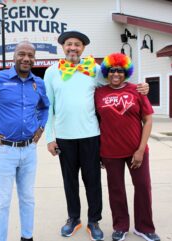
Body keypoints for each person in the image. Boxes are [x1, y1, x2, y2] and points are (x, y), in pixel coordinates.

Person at [44, 30, 149, 241]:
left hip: (91, 135)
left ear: (83, 48)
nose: (73, 48)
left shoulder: (94, 69)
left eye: (77, 45)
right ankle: (74, 218)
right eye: (69, 44)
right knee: (69, 181)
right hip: (64, 137)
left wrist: (141, 87)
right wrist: (49, 137)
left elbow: (117, 80)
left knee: (92, 180)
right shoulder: (51, 72)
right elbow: (48, 106)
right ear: (63, 47)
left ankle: (94, 220)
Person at [0, 41, 49, 241]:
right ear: (14, 56)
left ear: (34, 59)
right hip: (5, 150)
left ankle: (27, 237)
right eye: (22, 54)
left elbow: (45, 107)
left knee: (28, 198)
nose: (26, 58)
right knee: (3, 201)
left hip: (29, 150)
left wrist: (41, 127)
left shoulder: (38, 83)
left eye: (30, 55)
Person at [95, 53, 160, 241]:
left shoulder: (137, 90)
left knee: (143, 188)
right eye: (112, 70)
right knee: (116, 190)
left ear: (126, 72)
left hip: (136, 151)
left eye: (120, 71)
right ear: (106, 72)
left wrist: (140, 150)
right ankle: (120, 226)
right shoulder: (99, 92)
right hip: (110, 151)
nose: (116, 74)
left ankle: (144, 227)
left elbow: (148, 120)